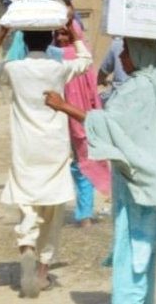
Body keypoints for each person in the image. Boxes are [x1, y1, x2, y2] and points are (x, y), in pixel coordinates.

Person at [44, 38, 156, 304]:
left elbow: (109, 124)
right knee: (146, 257)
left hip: (140, 184)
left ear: (142, 54)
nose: (121, 57)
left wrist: (63, 106)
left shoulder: (138, 88)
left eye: (127, 51)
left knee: (132, 257)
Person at [0, 19, 94, 298]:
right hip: (54, 148)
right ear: (49, 41)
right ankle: (42, 273)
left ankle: (27, 247)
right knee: (53, 210)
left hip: (25, 149)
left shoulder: (14, 68)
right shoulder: (59, 68)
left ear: (24, 41)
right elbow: (86, 61)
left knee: (27, 204)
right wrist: (74, 34)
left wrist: (0, 37)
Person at [53, 19, 111, 227]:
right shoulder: (60, 56)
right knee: (77, 164)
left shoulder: (74, 57)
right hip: (63, 119)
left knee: (82, 164)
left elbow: (92, 90)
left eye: (65, 33)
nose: (61, 38)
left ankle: (84, 214)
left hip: (75, 118)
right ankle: (75, 212)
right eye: (58, 34)